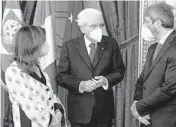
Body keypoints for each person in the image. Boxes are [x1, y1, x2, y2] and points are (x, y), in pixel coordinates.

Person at [56, 8, 125, 127]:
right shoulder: (70, 46)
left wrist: (106, 80)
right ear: (82, 27)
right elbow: (61, 76)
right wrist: (81, 85)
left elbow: (119, 71)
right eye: (93, 26)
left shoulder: (111, 43)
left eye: (101, 25)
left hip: (104, 111)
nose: (99, 29)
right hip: (79, 111)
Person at [5, 25, 66, 127]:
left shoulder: (38, 66)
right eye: (44, 42)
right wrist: (53, 122)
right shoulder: (14, 72)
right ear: (33, 45)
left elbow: (50, 94)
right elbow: (31, 107)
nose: (48, 45)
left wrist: (58, 112)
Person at [131, 3, 176, 127]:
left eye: (146, 22)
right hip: (147, 117)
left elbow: (170, 87)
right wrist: (137, 101)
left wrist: (139, 107)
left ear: (157, 23)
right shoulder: (152, 48)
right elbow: (142, 80)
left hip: (167, 120)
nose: (144, 26)